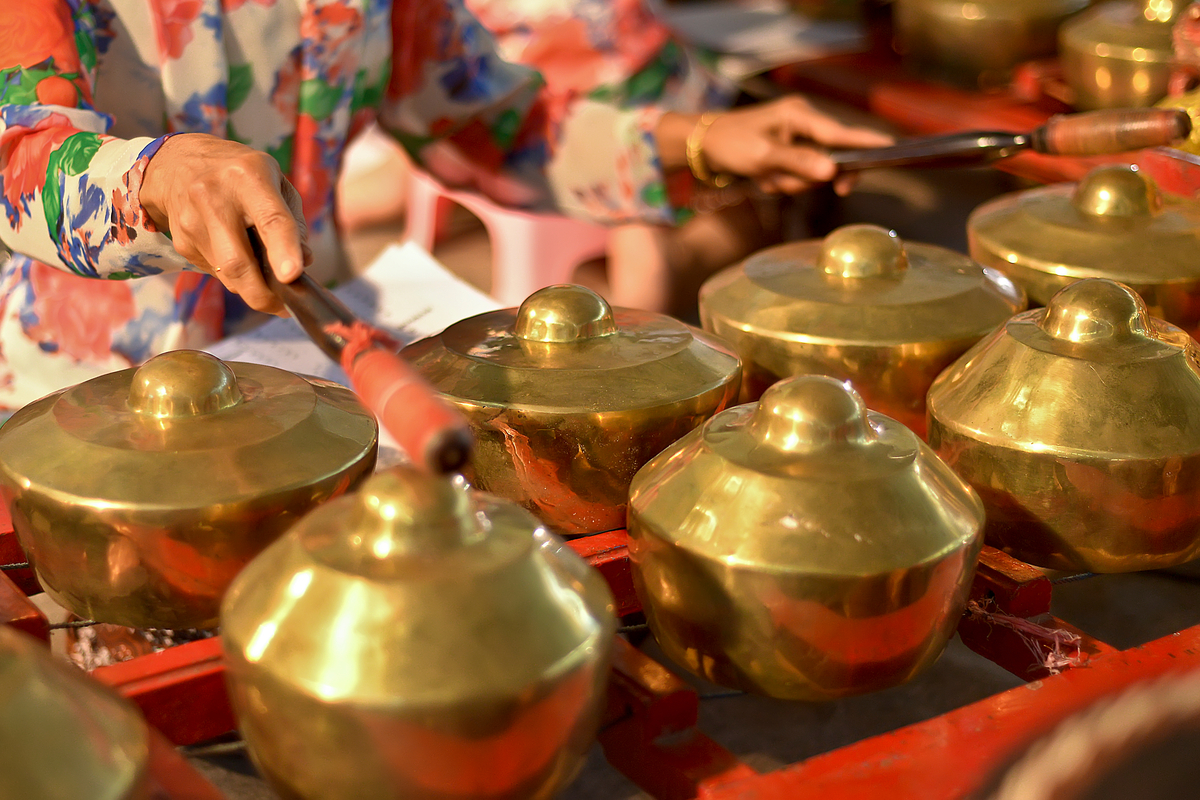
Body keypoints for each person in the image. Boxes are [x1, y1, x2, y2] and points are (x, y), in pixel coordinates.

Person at [0, 0, 890, 413]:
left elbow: (496, 121)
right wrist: (157, 178)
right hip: (85, 407)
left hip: (308, 374)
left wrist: (699, 143)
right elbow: (20, 159)